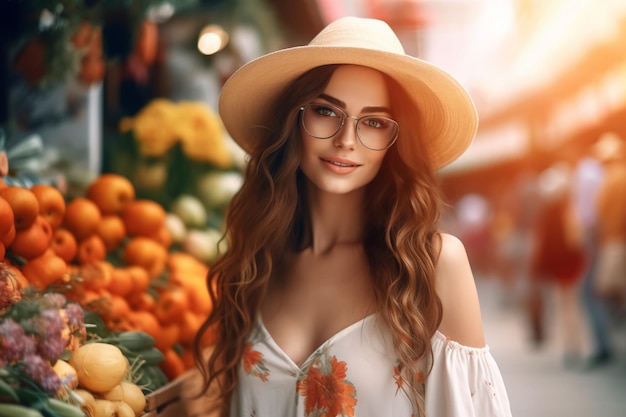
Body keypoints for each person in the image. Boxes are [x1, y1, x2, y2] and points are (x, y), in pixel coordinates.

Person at [194, 16, 512, 417]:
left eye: (375, 122)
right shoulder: (258, 261)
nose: (346, 140)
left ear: (394, 142)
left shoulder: (433, 264)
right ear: (296, 119)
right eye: (327, 111)